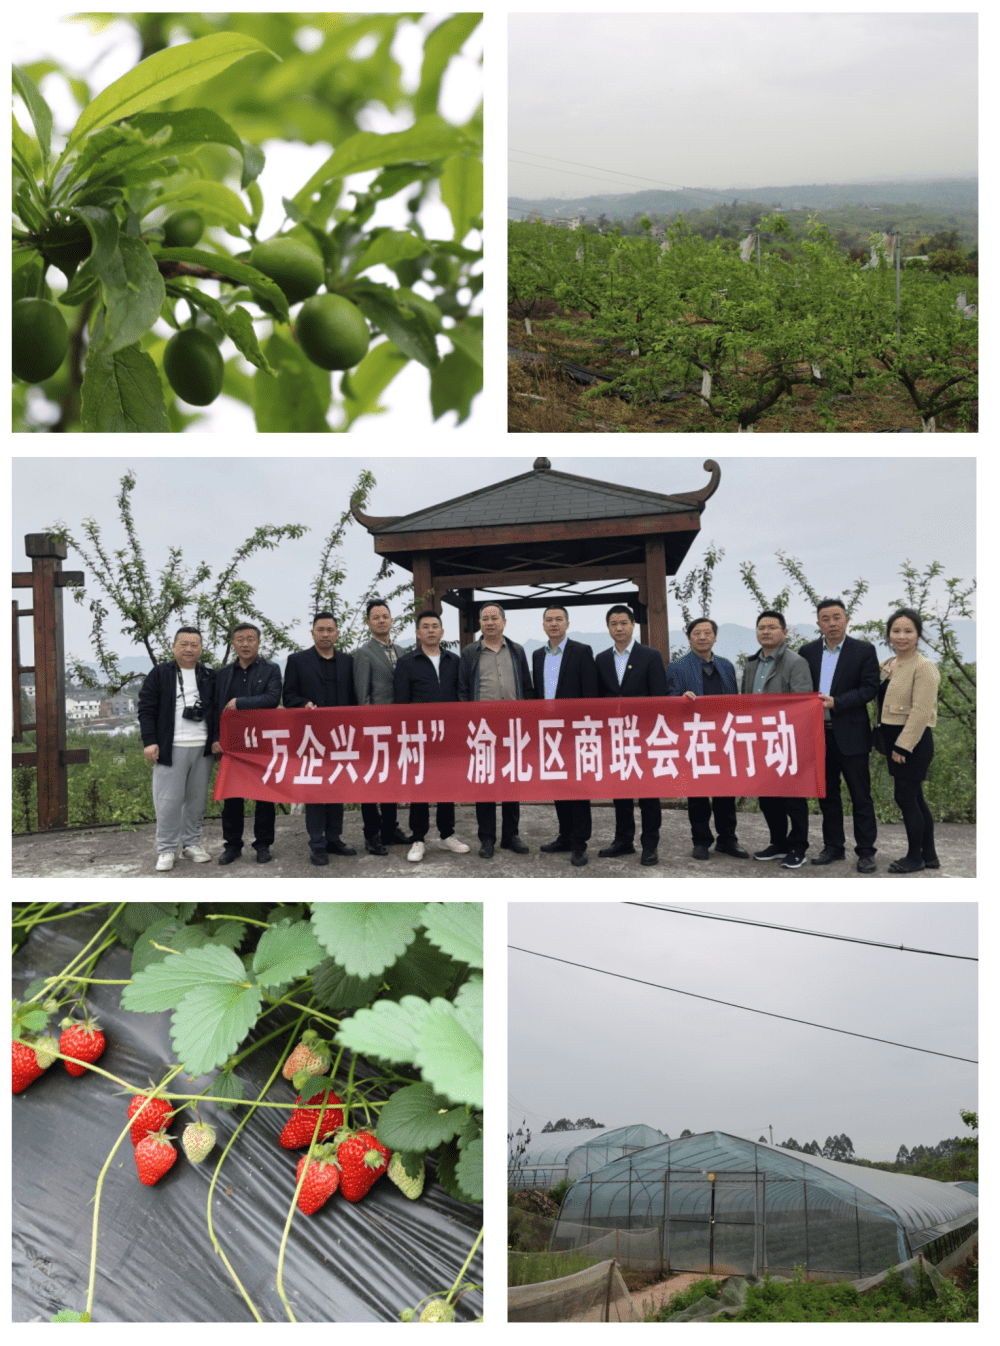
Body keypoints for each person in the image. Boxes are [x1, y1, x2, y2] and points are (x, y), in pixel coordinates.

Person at [799, 599, 879, 874]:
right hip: (819, 735)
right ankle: (833, 847)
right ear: (818, 623)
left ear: (846, 619)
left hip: (852, 734)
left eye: (836, 617)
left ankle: (866, 852)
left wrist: (838, 702)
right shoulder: (807, 652)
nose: (831, 623)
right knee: (828, 795)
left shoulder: (863, 650)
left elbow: (870, 688)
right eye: (825, 619)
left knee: (861, 796)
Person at [666, 617, 749, 861]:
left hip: (723, 736)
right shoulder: (677, 667)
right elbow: (669, 697)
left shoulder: (726, 666)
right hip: (695, 736)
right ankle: (701, 840)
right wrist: (681, 696)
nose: (702, 637)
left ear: (715, 637)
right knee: (698, 792)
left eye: (707, 632)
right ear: (689, 638)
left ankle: (728, 840)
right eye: (697, 633)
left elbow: (735, 699)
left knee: (726, 791)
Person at [393, 609, 471, 863]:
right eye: (425, 626)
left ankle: (447, 834)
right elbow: (401, 703)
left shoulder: (453, 660)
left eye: (434, 626)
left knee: (448, 785)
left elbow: (462, 695)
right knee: (421, 786)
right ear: (418, 633)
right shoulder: (407, 662)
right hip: (419, 736)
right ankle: (418, 838)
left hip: (449, 734)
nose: (430, 630)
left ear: (442, 632)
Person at [457, 602, 534, 859]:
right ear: (480, 624)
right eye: (485, 619)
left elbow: (527, 686)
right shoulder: (470, 652)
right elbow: (463, 690)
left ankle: (511, 835)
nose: (490, 622)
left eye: (494, 618)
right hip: (482, 728)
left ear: (504, 622)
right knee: (486, 783)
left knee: (511, 782)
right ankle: (487, 838)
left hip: (513, 726)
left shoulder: (516, 650)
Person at [282, 611, 358, 866]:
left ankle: (334, 838)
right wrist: (304, 703)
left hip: (341, 737)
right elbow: (289, 695)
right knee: (315, 790)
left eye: (330, 630)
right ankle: (317, 843)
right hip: (311, 737)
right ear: (312, 632)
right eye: (320, 630)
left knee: (337, 787)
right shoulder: (297, 660)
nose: (325, 634)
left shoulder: (348, 661)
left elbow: (355, 698)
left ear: (337, 633)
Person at [594, 605, 668, 867]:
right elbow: (597, 699)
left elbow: (660, 696)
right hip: (615, 735)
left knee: (648, 793)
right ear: (608, 628)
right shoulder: (601, 659)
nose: (619, 628)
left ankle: (650, 845)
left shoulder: (650, 655)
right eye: (613, 624)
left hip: (645, 735)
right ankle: (623, 840)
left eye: (623, 623)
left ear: (633, 625)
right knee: (621, 791)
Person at [137, 626, 216, 872]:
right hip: (171, 747)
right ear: (173, 647)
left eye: (194, 644)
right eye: (184, 644)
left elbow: (219, 709)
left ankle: (191, 844)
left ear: (201, 648)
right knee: (168, 801)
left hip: (202, 747)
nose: (189, 649)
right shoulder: (160, 674)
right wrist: (150, 741)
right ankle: (166, 848)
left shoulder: (209, 675)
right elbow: (146, 709)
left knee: (196, 801)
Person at [740, 609, 813, 870]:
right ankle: (778, 842)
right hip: (758, 740)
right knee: (767, 796)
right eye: (761, 627)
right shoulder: (751, 664)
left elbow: (802, 703)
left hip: (786, 739)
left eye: (772, 627)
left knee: (792, 797)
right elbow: (744, 704)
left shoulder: (796, 662)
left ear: (784, 632)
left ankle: (798, 847)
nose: (766, 632)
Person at [532, 605, 599, 868]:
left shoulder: (581, 651)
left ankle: (579, 843)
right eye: (549, 620)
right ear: (543, 625)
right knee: (558, 785)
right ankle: (564, 835)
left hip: (575, 732)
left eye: (559, 619)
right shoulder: (537, 655)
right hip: (548, 732)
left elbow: (590, 693)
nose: (554, 623)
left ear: (567, 624)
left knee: (578, 788)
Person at [210, 623, 282, 865]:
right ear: (233, 644)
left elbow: (272, 699)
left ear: (258, 643)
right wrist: (214, 739)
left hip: (262, 743)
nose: (245, 644)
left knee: (264, 796)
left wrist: (239, 702)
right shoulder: (223, 674)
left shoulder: (271, 670)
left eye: (250, 639)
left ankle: (263, 844)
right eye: (240, 639)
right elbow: (214, 709)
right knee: (232, 797)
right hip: (232, 745)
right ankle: (232, 845)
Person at [877, 607, 940, 874]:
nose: (901, 636)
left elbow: (921, 712)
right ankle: (931, 855)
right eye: (896, 631)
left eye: (908, 631)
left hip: (912, 741)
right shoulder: (888, 664)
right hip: (893, 738)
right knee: (916, 798)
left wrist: (903, 745)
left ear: (918, 634)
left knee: (905, 798)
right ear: (889, 633)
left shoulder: (924, 667)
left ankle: (915, 857)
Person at [352, 599, 412, 856]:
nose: (381, 620)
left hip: (399, 728)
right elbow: (362, 695)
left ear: (391, 619)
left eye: (385, 616)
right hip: (374, 729)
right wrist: (367, 729)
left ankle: (390, 828)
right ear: (368, 623)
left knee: (391, 781)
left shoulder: (401, 651)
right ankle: (371, 834)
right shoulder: (364, 653)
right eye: (375, 617)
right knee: (371, 783)